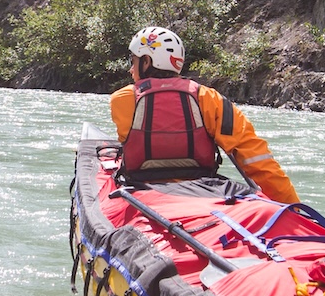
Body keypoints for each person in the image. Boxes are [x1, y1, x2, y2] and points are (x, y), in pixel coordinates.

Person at [108, 25, 300, 203]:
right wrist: (294, 206)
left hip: (143, 189)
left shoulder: (121, 99)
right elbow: (257, 159)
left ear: (147, 61)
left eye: (133, 61)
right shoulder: (210, 98)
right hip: (205, 189)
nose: (131, 69)